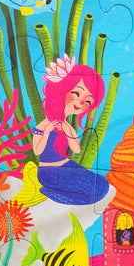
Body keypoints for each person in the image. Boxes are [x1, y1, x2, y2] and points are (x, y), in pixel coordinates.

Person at [33, 55, 117, 209]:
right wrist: (46, 132)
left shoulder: (67, 127)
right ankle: (53, 193)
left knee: (103, 185)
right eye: (77, 93)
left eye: (88, 101)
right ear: (62, 89)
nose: (80, 102)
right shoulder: (44, 125)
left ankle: (57, 192)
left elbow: (76, 149)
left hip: (68, 167)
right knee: (92, 192)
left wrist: (69, 133)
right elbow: (37, 150)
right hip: (48, 172)